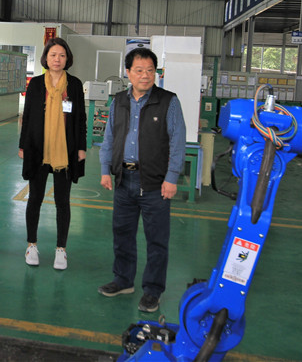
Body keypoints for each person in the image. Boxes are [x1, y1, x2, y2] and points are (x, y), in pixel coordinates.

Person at [97, 47, 186, 313]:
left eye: (150, 70)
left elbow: (177, 142)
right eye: (139, 70)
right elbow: (109, 138)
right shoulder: (119, 101)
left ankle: (153, 290)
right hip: (124, 180)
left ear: (156, 73)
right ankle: (123, 280)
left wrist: (172, 177)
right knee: (122, 234)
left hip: (155, 184)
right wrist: (105, 169)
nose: (145, 75)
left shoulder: (168, 101)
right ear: (128, 73)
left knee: (156, 240)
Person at [18, 38, 86, 270]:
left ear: (68, 59)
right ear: (46, 58)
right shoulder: (36, 84)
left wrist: (81, 147)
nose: (57, 59)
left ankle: (61, 249)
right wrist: (22, 145)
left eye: (62, 55)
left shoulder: (74, 85)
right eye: (53, 55)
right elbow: (27, 116)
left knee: (62, 202)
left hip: (65, 151)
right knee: (35, 198)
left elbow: (80, 119)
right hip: (38, 150)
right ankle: (31, 245)